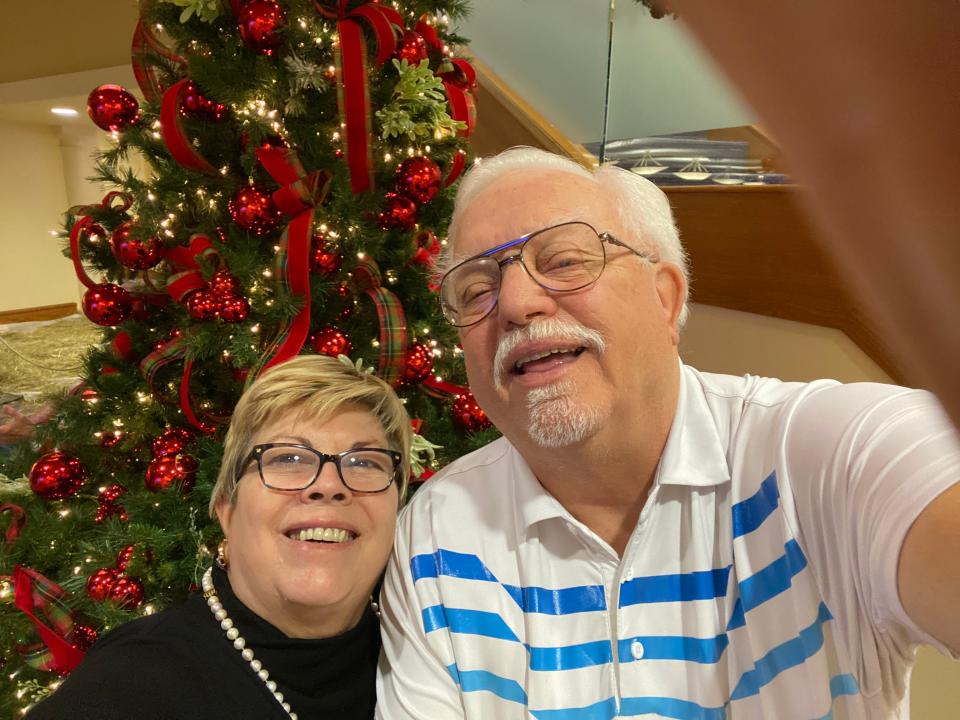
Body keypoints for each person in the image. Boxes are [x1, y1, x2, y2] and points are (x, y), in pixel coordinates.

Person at [375, 147, 960, 719]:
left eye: (564, 260)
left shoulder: (827, 452)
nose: (516, 303)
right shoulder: (435, 535)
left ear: (665, 297)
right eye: (475, 290)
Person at [28, 354, 411, 720]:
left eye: (365, 462)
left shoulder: (430, 647)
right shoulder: (131, 684)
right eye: (287, 459)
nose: (329, 485)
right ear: (227, 508)